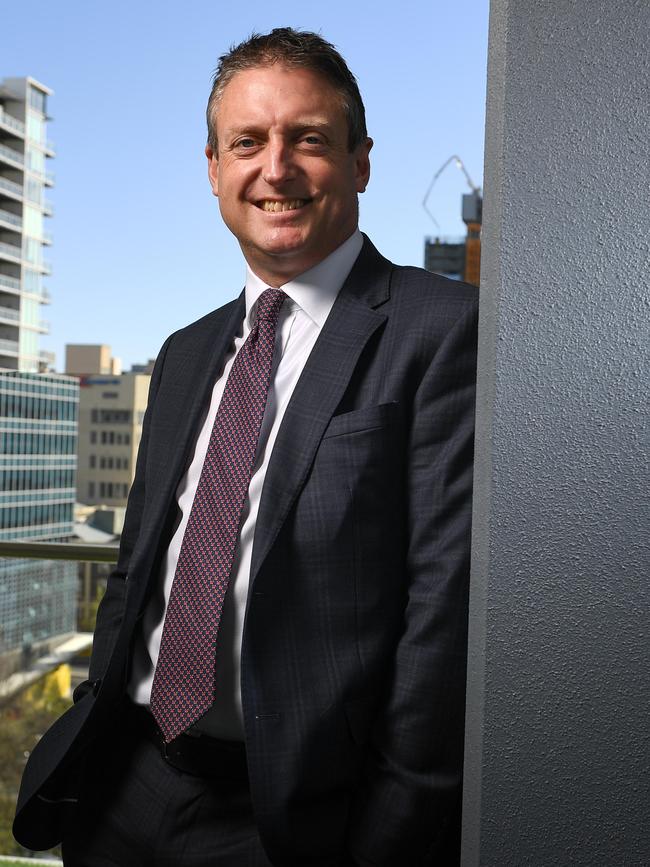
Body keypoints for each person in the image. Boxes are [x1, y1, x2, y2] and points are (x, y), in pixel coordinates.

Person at [14, 28, 478, 866]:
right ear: (213, 169)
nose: (276, 168)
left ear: (360, 162)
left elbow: (440, 626)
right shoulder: (187, 349)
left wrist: (391, 831)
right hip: (127, 784)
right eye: (248, 143)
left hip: (292, 818)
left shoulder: (441, 332)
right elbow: (134, 569)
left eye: (308, 138)